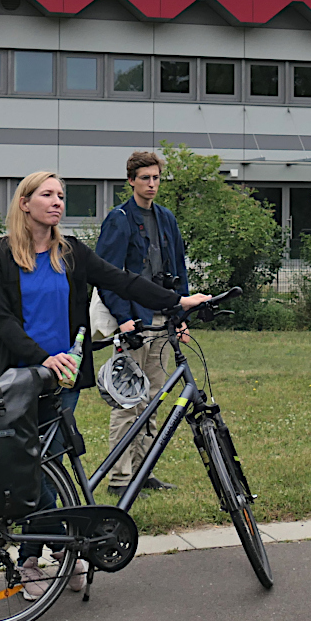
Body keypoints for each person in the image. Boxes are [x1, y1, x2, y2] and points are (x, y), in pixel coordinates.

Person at [0, 171, 209, 597]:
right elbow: (3, 319)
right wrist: (40, 358)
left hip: (63, 377)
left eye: (61, 196)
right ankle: (50, 552)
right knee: (30, 465)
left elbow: (121, 280)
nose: (57, 202)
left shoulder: (70, 253)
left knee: (50, 462)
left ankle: (50, 556)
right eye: (47, 195)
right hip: (18, 375)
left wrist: (176, 301)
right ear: (25, 202)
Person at [94, 150, 191, 497]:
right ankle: (119, 478)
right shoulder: (119, 219)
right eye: (145, 178)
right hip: (134, 319)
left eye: (156, 178)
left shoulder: (166, 218)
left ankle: (143, 470)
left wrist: (180, 316)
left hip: (162, 319)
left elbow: (179, 268)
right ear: (131, 180)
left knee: (154, 397)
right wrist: (124, 321)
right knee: (127, 400)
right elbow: (106, 276)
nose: (152, 184)